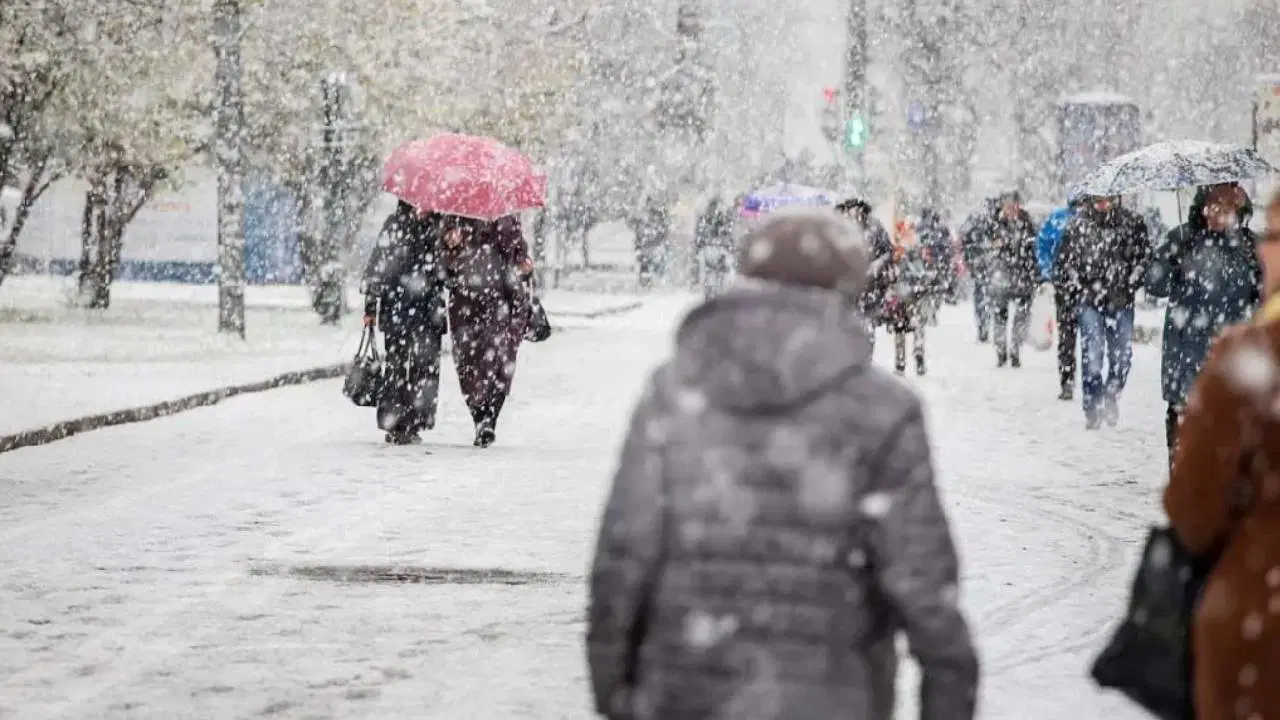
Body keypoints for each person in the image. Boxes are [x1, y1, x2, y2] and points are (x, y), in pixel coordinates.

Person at [586, 209, 978, 720]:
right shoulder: (883, 409)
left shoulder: (675, 390)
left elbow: (624, 553)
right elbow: (925, 588)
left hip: (684, 690)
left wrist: (615, 688)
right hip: (830, 697)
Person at [1162, 189, 1280, 720]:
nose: (1264, 250)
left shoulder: (1253, 358)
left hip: (1261, 627)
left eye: (1274, 238)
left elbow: (1191, 511)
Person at [1146, 183, 1260, 461]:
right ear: (1203, 208)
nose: (1220, 214)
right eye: (1214, 206)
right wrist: (1171, 261)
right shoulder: (1183, 239)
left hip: (1233, 355)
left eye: (1228, 207)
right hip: (1187, 352)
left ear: (1240, 210)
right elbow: (1154, 283)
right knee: (1185, 440)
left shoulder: (1250, 246)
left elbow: (1266, 296)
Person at [438, 214, 535, 448]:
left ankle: (488, 418)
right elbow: (444, 260)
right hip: (466, 301)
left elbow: (519, 255)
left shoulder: (506, 216)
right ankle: (480, 416)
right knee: (468, 361)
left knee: (500, 360)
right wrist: (451, 244)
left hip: (499, 298)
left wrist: (521, 259)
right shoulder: (456, 213)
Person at [1054, 195, 1149, 429]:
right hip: (1090, 300)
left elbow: (1144, 257)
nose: (1103, 204)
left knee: (1121, 359)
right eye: (1098, 199)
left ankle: (1111, 396)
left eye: (1107, 199)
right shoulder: (1077, 226)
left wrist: (1132, 280)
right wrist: (1077, 284)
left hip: (1121, 300)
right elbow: (1064, 261)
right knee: (1093, 357)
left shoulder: (1132, 223)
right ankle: (1092, 406)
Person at [361, 201, 447, 445]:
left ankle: (416, 420)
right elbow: (378, 264)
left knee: (425, 368)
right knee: (397, 367)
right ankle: (395, 422)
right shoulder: (396, 224)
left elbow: (447, 270)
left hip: (428, 310)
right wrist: (371, 306)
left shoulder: (440, 226)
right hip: (397, 307)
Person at [985, 191, 1040, 367]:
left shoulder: (1027, 222)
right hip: (1002, 275)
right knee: (1000, 315)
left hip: (1023, 275)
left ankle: (1016, 349)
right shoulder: (995, 223)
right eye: (1007, 205)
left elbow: (1033, 248)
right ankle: (1001, 351)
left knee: (1021, 316)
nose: (1010, 209)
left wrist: (1032, 269)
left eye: (1013, 205)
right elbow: (988, 247)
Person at [1037, 198, 1082, 399]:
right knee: (1068, 334)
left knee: (1077, 335)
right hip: (1066, 284)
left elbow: (1042, 246)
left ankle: (1085, 380)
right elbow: (1043, 246)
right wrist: (1048, 272)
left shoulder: (1089, 219)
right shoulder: (1059, 218)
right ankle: (1068, 380)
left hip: (1088, 285)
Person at [837, 197, 893, 353]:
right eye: (849, 209)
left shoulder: (874, 228)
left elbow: (888, 251)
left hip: (870, 288)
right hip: (845, 289)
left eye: (856, 209)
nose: (853, 213)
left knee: (866, 326)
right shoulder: (837, 227)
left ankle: (864, 357)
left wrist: (875, 266)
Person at [959, 197, 999, 343]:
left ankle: (983, 324)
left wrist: (969, 260)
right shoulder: (995, 221)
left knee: (981, 293)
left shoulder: (975, 220)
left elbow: (964, 240)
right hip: (990, 264)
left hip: (979, 264)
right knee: (989, 294)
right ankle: (989, 323)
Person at [693, 194, 739, 299]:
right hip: (717, 250)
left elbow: (699, 237)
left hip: (712, 250)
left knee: (711, 273)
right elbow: (729, 235)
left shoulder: (707, 218)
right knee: (718, 274)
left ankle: (710, 292)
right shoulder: (723, 218)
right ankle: (714, 293)